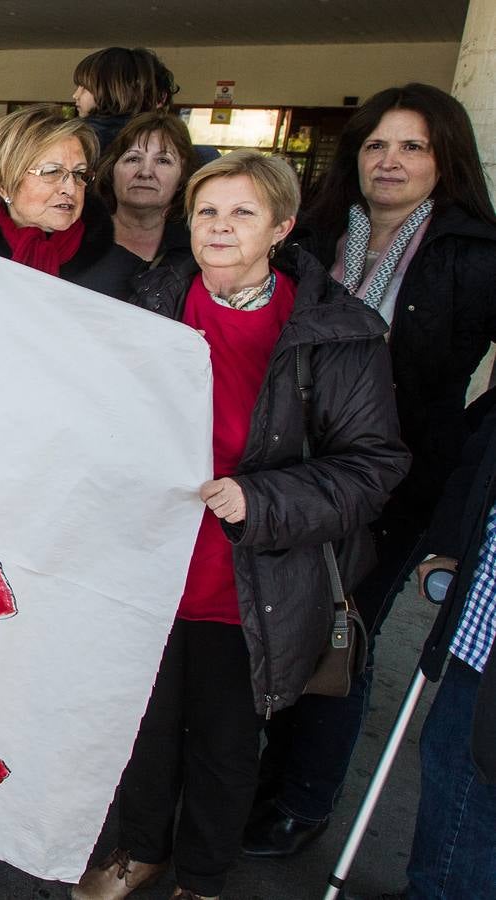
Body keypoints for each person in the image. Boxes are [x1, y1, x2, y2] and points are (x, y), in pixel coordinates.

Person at [73, 151, 410, 900]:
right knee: (145, 728)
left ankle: (201, 877)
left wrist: (261, 501)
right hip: (153, 568)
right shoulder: (148, 304)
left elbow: (373, 465)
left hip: (255, 574)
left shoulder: (334, 332)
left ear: (281, 227)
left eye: (243, 213)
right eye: (207, 212)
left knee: (226, 744)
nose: (220, 227)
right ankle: (141, 849)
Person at [244, 83, 496, 859]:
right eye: (377, 145)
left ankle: (303, 799)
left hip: (396, 482)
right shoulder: (310, 240)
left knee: (339, 635)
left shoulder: (475, 253)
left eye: (413, 147)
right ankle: (253, 782)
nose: (390, 162)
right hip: (293, 469)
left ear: (444, 159)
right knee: (276, 625)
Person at [391, 393, 496, 900]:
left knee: (468, 779)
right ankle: (428, 888)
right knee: (449, 755)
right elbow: (481, 451)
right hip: (481, 620)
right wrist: (451, 543)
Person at [0, 104, 141, 298]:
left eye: (79, 174)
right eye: (52, 172)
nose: (70, 188)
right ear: (5, 186)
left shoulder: (124, 271)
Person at [95, 111, 196, 267]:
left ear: (182, 177)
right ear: (111, 170)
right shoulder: (78, 239)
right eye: (133, 159)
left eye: (163, 161)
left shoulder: (197, 249)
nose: (145, 172)